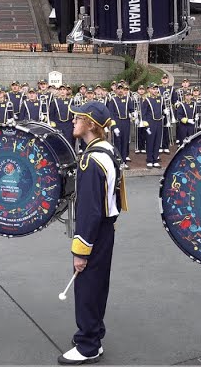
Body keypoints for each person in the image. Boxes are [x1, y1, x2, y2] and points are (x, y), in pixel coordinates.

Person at [60, 101, 125, 365]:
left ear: (91, 124)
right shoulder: (109, 150)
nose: (73, 121)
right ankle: (93, 332)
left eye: (78, 118)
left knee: (87, 288)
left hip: (94, 232)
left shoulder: (90, 159)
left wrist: (81, 250)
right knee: (98, 286)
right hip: (106, 229)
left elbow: (89, 210)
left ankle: (88, 345)